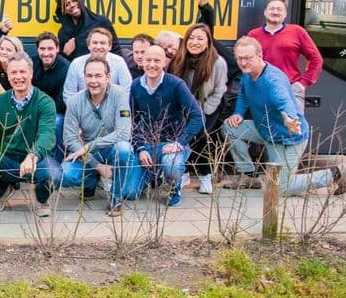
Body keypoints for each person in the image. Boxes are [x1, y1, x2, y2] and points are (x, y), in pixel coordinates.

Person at [222, 36, 346, 195]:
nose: (243, 63)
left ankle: (335, 174)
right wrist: (238, 113)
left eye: (248, 58)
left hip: (287, 137)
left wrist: (288, 118)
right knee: (230, 127)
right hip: (265, 130)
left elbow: (284, 101)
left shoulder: (273, 80)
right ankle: (247, 175)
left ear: (260, 55)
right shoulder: (248, 74)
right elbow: (243, 92)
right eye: (240, 58)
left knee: (281, 188)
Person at [112, 45, 203, 213]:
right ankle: (153, 175)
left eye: (156, 60)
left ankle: (173, 187)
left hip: (170, 144)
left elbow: (198, 117)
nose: (152, 64)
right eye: (148, 60)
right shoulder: (135, 86)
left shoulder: (176, 85)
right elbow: (131, 121)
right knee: (129, 193)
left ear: (164, 62)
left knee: (171, 164)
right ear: (142, 62)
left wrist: (179, 142)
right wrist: (139, 148)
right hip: (146, 145)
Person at [0, 52, 59, 217]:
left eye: (22, 72)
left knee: (53, 173)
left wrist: (33, 155)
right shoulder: (0, 101)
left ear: (31, 74)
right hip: (8, 157)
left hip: (37, 158)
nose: (18, 77)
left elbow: (46, 134)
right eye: (14, 73)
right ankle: (2, 191)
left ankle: (41, 199)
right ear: (8, 75)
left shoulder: (45, 102)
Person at [57, 57, 132, 205]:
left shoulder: (120, 94)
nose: (93, 81)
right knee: (65, 174)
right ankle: (90, 182)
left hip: (112, 150)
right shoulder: (74, 101)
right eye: (89, 76)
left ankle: (116, 198)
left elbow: (124, 133)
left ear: (108, 77)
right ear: (84, 77)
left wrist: (88, 146)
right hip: (89, 155)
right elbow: (69, 139)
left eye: (98, 75)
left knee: (124, 148)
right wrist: (97, 165)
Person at [168, 23, 227, 194]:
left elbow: (220, 90)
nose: (195, 42)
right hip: (182, 108)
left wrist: (204, 110)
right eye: (191, 38)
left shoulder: (217, 62)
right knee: (182, 137)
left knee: (200, 138)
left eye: (200, 38)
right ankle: (184, 173)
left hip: (207, 107)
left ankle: (205, 176)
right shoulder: (178, 60)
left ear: (208, 42)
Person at [247, 0, 322, 112]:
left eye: (279, 9)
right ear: (265, 12)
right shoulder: (253, 35)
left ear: (285, 14)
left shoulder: (297, 32)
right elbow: (247, 63)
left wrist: (302, 84)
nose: (275, 12)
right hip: (262, 90)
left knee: (293, 127)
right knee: (265, 128)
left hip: (290, 90)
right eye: (272, 9)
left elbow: (316, 59)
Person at [62, 27, 132, 103]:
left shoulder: (119, 62)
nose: (98, 47)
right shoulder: (76, 64)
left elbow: (127, 91)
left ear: (110, 46)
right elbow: (68, 95)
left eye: (102, 43)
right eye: (95, 43)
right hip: (82, 110)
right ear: (88, 45)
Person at [31, 31, 70, 160]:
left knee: (57, 122)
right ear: (37, 50)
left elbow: (62, 101)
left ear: (57, 49)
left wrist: (43, 112)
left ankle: (56, 163)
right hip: (33, 109)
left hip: (56, 111)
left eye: (50, 49)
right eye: (42, 49)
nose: (46, 53)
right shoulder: (31, 64)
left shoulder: (65, 68)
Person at [54, 0, 121, 60]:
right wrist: (65, 53)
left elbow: (116, 50)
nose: (72, 5)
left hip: (103, 69)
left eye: (74, 0)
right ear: (63, 11)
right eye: (67, 5)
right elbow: (62, 63)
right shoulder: (63, 33)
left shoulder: (101, 22)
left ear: (80, 1)